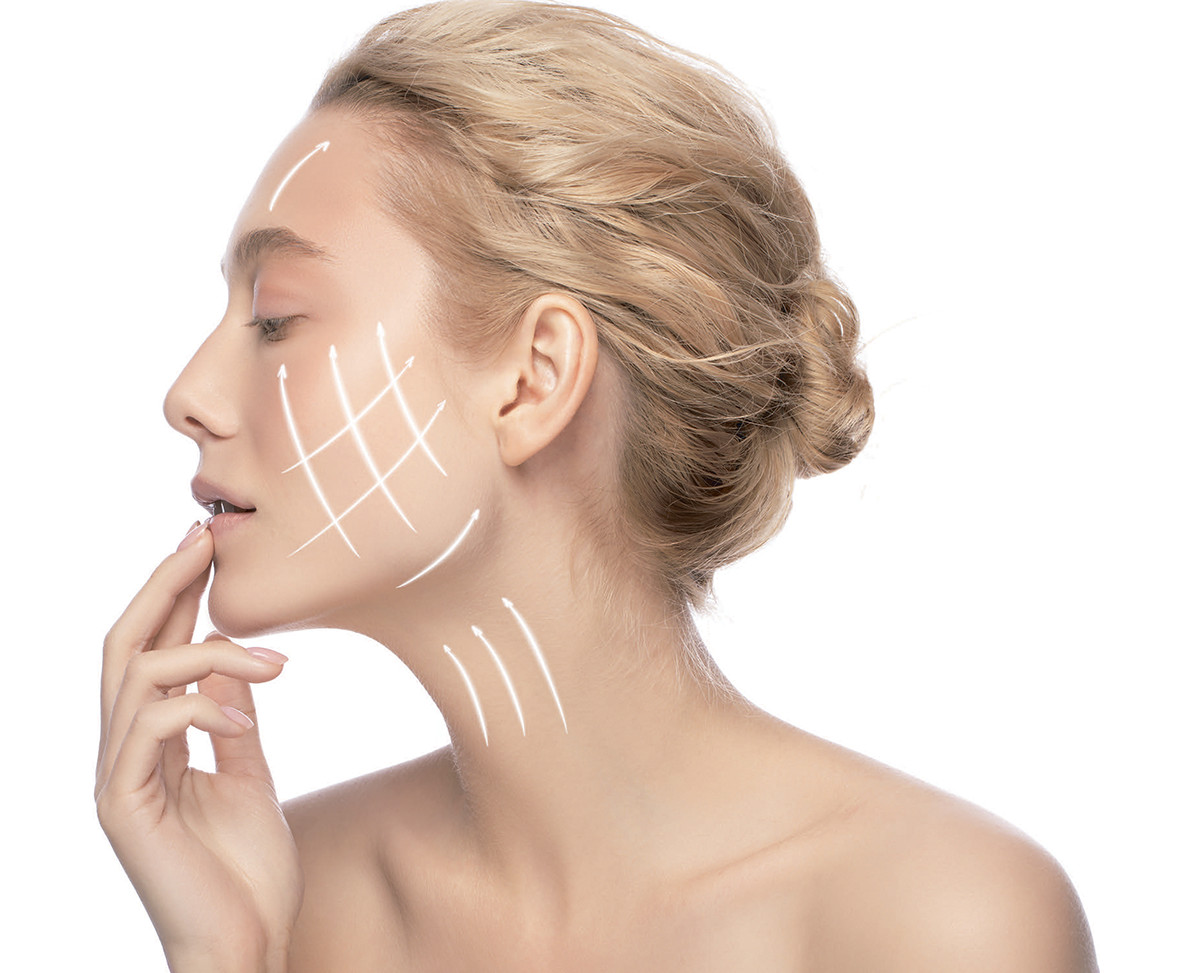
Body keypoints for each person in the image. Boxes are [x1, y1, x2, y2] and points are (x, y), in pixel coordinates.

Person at [95, 2, 1097, 969]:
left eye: (276, 318)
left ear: (534, 379)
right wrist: (226, 959)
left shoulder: (940, 925)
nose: (188, 396)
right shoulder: (281, 897)